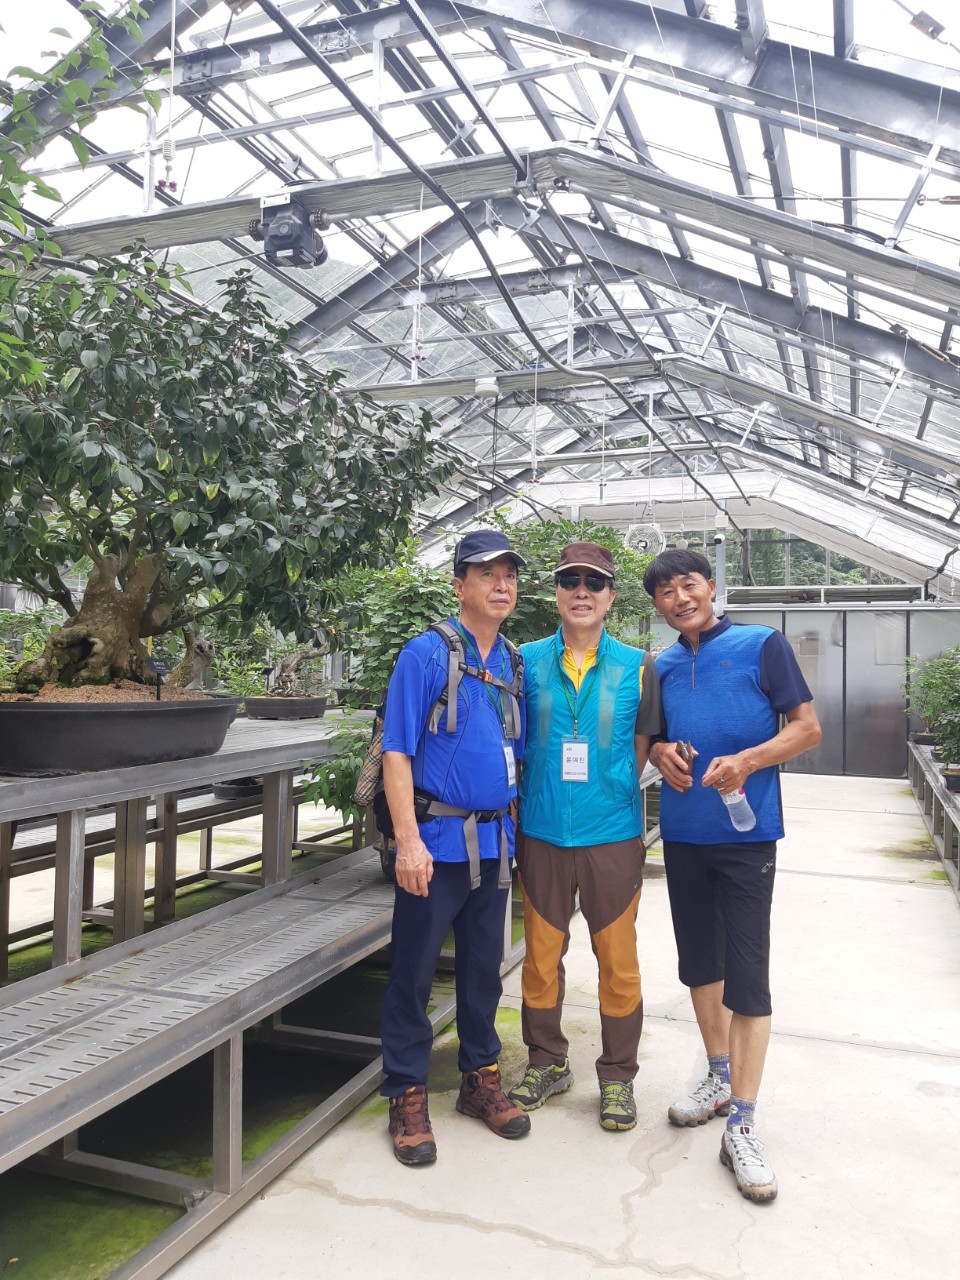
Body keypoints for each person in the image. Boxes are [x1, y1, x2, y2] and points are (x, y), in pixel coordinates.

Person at [643, 548, 821, 1202]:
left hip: (747, 839)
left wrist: (747, 760)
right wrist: (663, 751)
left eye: (688, 584)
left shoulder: (762, 645)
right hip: (684, 836)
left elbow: (806, 728)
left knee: (747, 974)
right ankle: (718, 1076)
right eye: (665, 591)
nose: (679, 598)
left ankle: (742, 1122)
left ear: (710, 586)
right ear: (657, 606)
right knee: (700, 965)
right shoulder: (659, 667)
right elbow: (652, 741)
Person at [379, 528, 531, 1166]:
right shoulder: (425, 654)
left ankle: (479, 1079)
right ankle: (406, 1093)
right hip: (435, 843)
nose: (502, 585)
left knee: (482, 969)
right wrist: (407, 841)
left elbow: (515, 753)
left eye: (509, 575)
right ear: (459, 584)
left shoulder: (512, 663)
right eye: (486, 573)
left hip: (494, 842)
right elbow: (396, 751)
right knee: (414, 972)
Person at [508, 542, 662, 1132]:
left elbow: (644, 744)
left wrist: (614, 785)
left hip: (612, 835)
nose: (581, 591)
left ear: (610, 596)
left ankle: (618, 1074)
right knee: (540, 959)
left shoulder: (639, 666)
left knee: (618, 960)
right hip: (542, 831)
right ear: (555, 593)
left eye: (593, 583)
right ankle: (547, 1062)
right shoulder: (525, 661)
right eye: (569, 580)